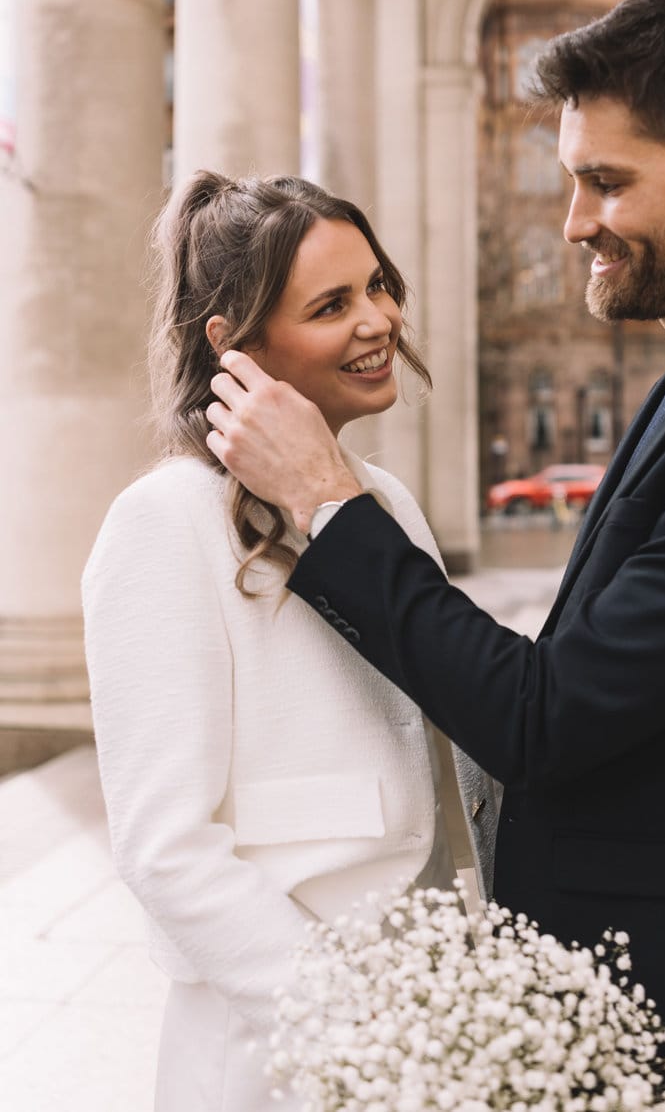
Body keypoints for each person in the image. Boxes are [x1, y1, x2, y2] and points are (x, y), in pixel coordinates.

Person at [205, 0, 665, 1112]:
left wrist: (329, 502)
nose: (574, 222)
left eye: (606, 182)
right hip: (625, 1004)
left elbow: (546, 717)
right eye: (572, 181)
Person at [82, 171, 497, 1112]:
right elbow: (164, 850)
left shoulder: (384, 502)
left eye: (379, 286)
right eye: (332, 304)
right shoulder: (164, 522)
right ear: (234, 345)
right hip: (270, 1052)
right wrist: (353, 1028)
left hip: (428, 1028)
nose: (378, 319)